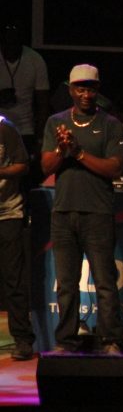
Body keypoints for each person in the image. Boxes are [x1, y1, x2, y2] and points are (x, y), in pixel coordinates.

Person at [40, 64, 123, 353]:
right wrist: (62, 150)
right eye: (80, 88)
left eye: (90, 88)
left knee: (105, 282)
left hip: (97, 212)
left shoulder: (110, 124)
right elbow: (46, 167)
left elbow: (114, 168)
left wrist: (78, 153)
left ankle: (110, 340)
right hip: (64, 213)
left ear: (97, 90)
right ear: (71, 90)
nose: (85, 94)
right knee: (66, 284)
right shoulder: (56, 122)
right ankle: (66, 341)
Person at [0, 115, 35, 360]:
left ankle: (23, 339)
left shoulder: (5, 128)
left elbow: (23, 165)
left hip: (7, 213)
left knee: (14, 280)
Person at [0, 21, 50, 186]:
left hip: (24, 130)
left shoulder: (34, 60)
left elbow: (43, 102)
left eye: (14, 39)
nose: (11, 44)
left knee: (23, 178)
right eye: (7, 40)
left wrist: (40, 138)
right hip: (1, 129)